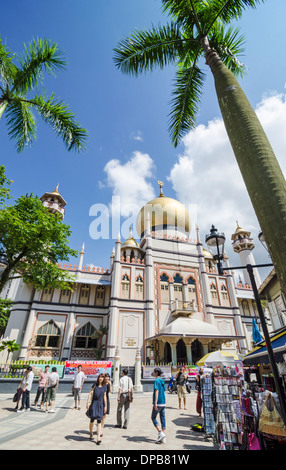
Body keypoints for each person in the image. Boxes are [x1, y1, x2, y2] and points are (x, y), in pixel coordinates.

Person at [86, 373, 107, 445]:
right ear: (98, 378)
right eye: (100, 377)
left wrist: (105, 406)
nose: (101, 378)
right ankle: (91, 432)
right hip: (94, 403)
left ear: (103, 379)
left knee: (99, 421)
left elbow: (104, 397)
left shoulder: (104, 387)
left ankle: (98, 438)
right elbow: (90, 394)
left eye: (102, 377)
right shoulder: (95, 385)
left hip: (100, 404)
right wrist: (88, 403)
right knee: (92, 420)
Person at [151, 367, 166, 444]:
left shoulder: (156, 380)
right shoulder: (162, 380)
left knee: (153, 417)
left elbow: (156, 390)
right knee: (162, 417)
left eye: (154, 372)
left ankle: (160, 433)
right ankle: (163, 436)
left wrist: (155, 402)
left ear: (156, 372)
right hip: (163, 402)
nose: (153, 373)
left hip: (159, 402)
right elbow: (164, 390)